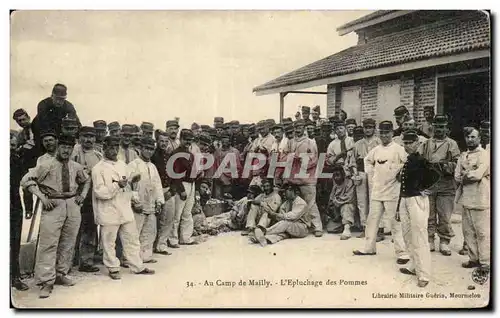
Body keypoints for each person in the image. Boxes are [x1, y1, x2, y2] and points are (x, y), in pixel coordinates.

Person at [20, 135, 90, 298]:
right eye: (63, 147)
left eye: (69, 147)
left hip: (72, 204)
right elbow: (26, 180)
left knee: (68, 241)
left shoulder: (76, 166)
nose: (66, 150)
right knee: (48, 243)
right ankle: (46, 281)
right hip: (53, 204)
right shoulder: (46, 165)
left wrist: (83, 195)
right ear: (58, 147)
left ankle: (61, 274)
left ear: (73, 149)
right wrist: (42, 197)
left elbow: (86, 180)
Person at [92, 136, 155, 280]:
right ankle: (113, 267)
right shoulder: (98, 169)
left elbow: (128, 186)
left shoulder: (122, 165)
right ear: (104, 148)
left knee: (132, 238)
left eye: (116, 148)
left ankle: (137, 266)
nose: (114, 151)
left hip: (124, 208)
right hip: (108, 209)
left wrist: (135, 198)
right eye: (110, 148)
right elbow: (99, 192)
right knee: (109, 241)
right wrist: (117, 185)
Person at [353, 121, 409, 264]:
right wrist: (372, 175)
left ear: (392, 133)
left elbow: (407, 164)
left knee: (395, 223)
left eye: (387, 132)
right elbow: (367, 161)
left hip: (393, 191)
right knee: (372, 221)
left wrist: (400, 173)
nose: (384, 135)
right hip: (377, 191)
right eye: (382, 133)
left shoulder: (399, 149)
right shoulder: (376, 150)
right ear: (379, 133)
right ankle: (369, 248)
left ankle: (402, 253)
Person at [397, 130, 440, 288]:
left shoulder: (421, 160)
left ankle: (424, 274)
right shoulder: (409, 160)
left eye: (410, 142)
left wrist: (424, 188)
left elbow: (436, 175)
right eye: (405, 143)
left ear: (417, 143)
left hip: (417, 200)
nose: (407, 145)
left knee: (420, 236)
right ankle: (414, 265)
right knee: (407, 234)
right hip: (406, 199)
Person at [419, 115, 460, 255]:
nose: (439, 130)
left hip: (445, 184)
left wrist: (443, 165)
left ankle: (444, 241)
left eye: (442, 127)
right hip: (429, 184)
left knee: (444, 215)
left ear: (446, 128)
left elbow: (457, 163)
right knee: (428, 214)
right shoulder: (426, 143)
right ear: (432, 127)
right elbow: (419, 160)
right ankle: (430, 239)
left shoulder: (451, 144)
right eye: (437, 127)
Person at [455, 127, 490, 270]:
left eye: (473, 137)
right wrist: (467, 175)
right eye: (468, 137)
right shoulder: (463, 156)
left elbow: (478, 174)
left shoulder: (485, 155)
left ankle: (485, 262)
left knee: (482, 232)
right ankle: (473, 258)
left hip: (481, 197)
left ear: (479, 138)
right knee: (467, 231)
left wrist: (466, 174)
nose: (470, 140)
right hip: (466, 198)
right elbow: (457, 176)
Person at [71, 127, 103, 273]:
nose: (88, 140)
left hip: (92, 197)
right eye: (85, 136)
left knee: (90, 228)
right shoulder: (74, 153)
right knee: (72, 228)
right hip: (75, 196)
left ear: (95, 139)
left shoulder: (98, 155)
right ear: (80, 137)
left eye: (91, 137)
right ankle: (70, 260)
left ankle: (86, 261)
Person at [128, 137, 165, 263]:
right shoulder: (133, 165)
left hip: (151, 204)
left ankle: (145, 256)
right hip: (138, 204)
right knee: (134, 232)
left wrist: (159, 201)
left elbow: (157, 185)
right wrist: (134, 201)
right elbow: (129, 186)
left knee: (149, 231)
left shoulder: (153, 167)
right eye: (146, 148)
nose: (149, 152)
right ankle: (129, 258)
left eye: (151, 149)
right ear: (140, 149)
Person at [286, 119, 323, 237]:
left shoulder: (310, 142)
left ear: (304, 128)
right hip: (293, 177)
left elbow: (314, 159)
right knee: (296, 203)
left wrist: (302, 159)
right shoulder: (290, 142)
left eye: (300, 127)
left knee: (311, 203)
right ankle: (301, 226)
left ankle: (317, 227)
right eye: (296, 127)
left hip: (307, 177)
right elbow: (285, 157)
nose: (298, 129)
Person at [347, 118, 382, 239]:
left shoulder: (379, 142)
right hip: (362, 172)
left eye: (370, 127)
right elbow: (352, 162)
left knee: (375, 200)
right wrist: (355, 174)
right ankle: (365, 228)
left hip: (375, 172)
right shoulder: (357, 144)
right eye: (366, 127)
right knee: (362, 202)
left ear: (374, 128)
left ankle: (377, 230)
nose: (368, 130)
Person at [167, 129, 199, 247]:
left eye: (190, 140)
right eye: (186, 139)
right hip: (181, 184)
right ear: (180, 139)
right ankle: (173, 239)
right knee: (176, 214)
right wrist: (181, 190)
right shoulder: (175, 153)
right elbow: (174, 174)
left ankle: (185, 237)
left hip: (191, 183)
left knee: (187, 213)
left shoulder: (190, 154)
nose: (188, 142)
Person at [151, 130, 177, 255]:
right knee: (155, 219)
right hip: (156, 191)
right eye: (161, 141)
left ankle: (162, 245)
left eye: (166, 141)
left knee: (169, 218)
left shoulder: (169, 156)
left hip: (168, 190)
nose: (164, 143)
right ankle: (152, 245)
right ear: (157, 141)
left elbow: (174, 175)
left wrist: (172, 190)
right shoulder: (152, 156)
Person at [10, 133, 29, 291]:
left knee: (14, 242)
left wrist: (28, 205)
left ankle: (14, 276)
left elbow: (25, 183)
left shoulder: (16, 160)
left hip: (14, 204)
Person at [12, 108, 39, 214]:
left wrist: (22, 147)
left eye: (23, 119)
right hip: (29, 164)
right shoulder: (21, 134)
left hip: (40, 160)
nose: (22, 122)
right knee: (26, 186)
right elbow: (16, 147)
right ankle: (28, 209)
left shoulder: (36, 128)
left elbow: (32, 143)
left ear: (28, 117)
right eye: (19, 121)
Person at [325, 165, 356, 240]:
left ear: (343, 175)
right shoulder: (335, 186)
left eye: (338, 175)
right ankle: (343, 224)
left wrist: (336, 202)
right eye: (334, 176)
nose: (336, 178)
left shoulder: (349, 182)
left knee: (347, 206)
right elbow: (331, 201)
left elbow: (349, 198)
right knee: (330, 229)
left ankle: (347, 229)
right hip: (338, 211)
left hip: (350, 208)